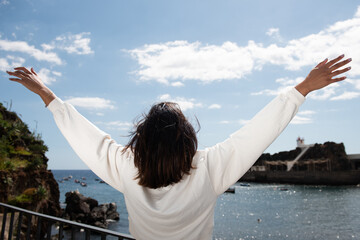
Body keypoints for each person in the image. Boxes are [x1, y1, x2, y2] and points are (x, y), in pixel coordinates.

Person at [7, 55, 352, 239]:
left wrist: (48, 95)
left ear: (142, 139)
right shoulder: (210, 169)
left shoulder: (128, 168)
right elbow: (256, 133)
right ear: (188, 137)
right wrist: (301, 89)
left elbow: (88, 139)